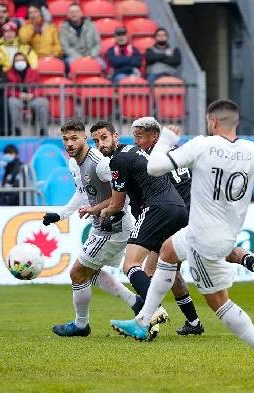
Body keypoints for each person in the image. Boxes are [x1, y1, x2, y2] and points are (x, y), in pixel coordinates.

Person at [109, 99, 254, 379]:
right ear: (236, 122)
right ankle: (143, 320)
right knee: (167, 252)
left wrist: (166, 138)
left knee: (219, 303)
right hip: (220, 233)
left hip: (204, 239)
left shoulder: (202, 145)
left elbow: (155, 167)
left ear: (212, 121)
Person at [131, 117, 254, 335]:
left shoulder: (151, 157)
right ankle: (249, 261)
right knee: (183, 263)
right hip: (196, 209)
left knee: (154, 269)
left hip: (172, 213)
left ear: (154, 137)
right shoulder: (179, 149)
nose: (136, 142)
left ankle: (148, 320)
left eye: (140, 137)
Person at [92, 120, 194, 338]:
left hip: (158, 208)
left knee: (130, 264)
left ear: (115, 136)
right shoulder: (135, 151)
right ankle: (161, 324)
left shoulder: (118, 160)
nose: (100, 144)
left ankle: (153, 312)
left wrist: (104, 213)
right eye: (96, 141)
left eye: (104, 138)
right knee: (160, 270)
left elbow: (117, 204)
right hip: (178, 208)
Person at [42, 119, 144, 337]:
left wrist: (107, 213)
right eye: (65, 139)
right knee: (91, 271)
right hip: (101, 226)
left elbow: (122, 193)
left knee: (78, 272)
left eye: (74, 138)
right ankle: (136, 302)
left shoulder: (100, 163)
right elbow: (82, 192)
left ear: (84, 139)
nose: (69, 143)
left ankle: (81, 325)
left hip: (114, 226)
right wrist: (60, 214)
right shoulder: (73, 164)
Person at [6, 52, 49, 136]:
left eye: (22, 60)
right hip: (18, 98)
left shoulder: (34, 72)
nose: (20, 62)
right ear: (14, 62)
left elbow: (40, 88)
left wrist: (33, 95)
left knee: (43, 102)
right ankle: (17, 130)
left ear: (26, 61)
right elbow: (8, 90)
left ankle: (43, 130)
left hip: (32, 98)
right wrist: (19, 95)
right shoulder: (9, 73)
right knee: (12, 101)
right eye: (17, 60)